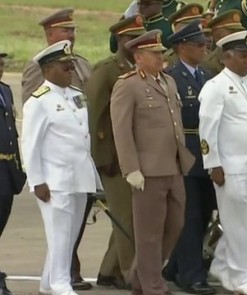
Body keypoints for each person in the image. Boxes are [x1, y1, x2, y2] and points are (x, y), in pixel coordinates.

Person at [110, 29, 195, 295]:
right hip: (148, 170)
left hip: (174, 166)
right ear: (138, 56)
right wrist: (131, 168)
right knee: (149, 233)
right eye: (154, 53)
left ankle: (141, 275)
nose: (160, 57)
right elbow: (121, 130)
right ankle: (153, 286)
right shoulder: (128, 84)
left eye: (161, 52)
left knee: (175, 225)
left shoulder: (168, 82)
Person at [21, 40, 103, 295]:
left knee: (68, 237)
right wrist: (37, 182)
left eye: (71, 66)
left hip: (79, 177)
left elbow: (82, 138)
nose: (71, 71)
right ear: (47, 70)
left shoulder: (77, 97)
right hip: (54, 181)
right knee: (58, 236)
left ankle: (49, 282)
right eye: (65, 67)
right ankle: (60, 285)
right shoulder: (38, 101)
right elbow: (30, 145)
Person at [199, 30, 247, 295]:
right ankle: (242, 277)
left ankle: (222, 263)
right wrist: (213, 164)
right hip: (232, 168)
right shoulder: (216, 87)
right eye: (243, 56)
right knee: (238, 224)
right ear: (226, 57)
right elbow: (207, 129)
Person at [85, 15, 146, 290]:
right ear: (121, 40)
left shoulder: (140, 67)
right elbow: (96, 117)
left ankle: (108, 271)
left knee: (129, 215)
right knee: (127, 218)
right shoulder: (107, 70)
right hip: (114, 157)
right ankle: (127, 272)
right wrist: (103, 156)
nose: (136, 43)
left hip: (136, 153)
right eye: (132, 39)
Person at [162, 20, 216, 295]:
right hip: (185, 152)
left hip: (207, 155)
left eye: (205, 43)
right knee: (190, 217)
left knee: (205, 213)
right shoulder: (171, 77)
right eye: (198, 44)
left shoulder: (205, 76)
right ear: (182, 47)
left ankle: (174, 268)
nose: (205, 48)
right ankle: (192, 276)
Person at [0, 51, 26, 295]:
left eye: (1, 62)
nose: (1, 66)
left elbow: (11, 131)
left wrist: (18, 167)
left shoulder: (5, 91)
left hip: (7, 170)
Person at [201, 10, 246, 76]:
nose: (237, 36)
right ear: (217, 35)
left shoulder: (245, 60)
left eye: (238, 32)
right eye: (232, 33)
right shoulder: (207, 64)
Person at [163, 3, 205, 68]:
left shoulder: (208, 54)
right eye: (191, 26)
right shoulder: (170, 60)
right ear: (178, 29)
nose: (196, 28)